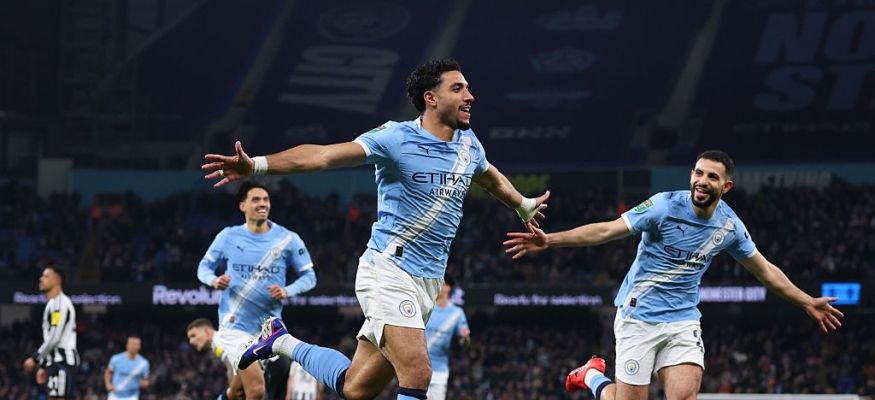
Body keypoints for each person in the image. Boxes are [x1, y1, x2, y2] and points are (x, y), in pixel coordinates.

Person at [202, 58, 549, 400]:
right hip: (389, 270)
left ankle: (280, 341)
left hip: (428, 281)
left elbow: (488, 176)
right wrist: (257, 165)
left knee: (355, 387)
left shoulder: (469, 144)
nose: (469, 96)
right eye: (458, 89)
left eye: (468, 89)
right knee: (417, 372)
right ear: (431, 98)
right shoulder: (396, 137)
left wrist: (522, 204)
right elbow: (323, 156)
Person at [503, 150, 845, 400]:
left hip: (682, 320)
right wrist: (551, 240)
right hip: (638, 316)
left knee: (683, 396)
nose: (702, 181)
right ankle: (592, 376)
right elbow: (607, 230)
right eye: (698, 173)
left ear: (726, 186)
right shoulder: (664, 206)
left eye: (712, 177)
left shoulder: (729, 226)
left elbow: (765, 271)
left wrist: (806, 301)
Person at [196, 181, 318, 400]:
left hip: (269, 330)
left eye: (266, 199)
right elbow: (203, 268)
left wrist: (287, 291)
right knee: (256, 390)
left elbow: (310, 277)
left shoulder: (288, 239)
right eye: (256, 199)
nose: (263, 204)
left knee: (238, 392)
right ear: (243, 206)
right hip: (235, 327)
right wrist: (214, 280)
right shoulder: (228, 236)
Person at [22, 266, 78, 400]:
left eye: (46, 276)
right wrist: (44, 365)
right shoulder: (52, 304)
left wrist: (36, 359)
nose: (41, 279)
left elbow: (55, 337)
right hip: (54, 362)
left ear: (57, 281)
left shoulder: (60, 304)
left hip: (62, 361)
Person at [424, 275, 470, 400]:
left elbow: (464, 343)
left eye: (439, 283)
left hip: (440, 371)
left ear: (447, 288)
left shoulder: (457, 313)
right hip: (420, 366)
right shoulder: (426, 307)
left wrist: (465, 339)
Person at [105, 335, 150, 400]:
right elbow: (108, 372)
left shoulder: (144, 364)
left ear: (139, 346)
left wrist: (144, 383)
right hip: (114, 396)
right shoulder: (116, 359)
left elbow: (145, 380)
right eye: (131, 344)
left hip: (132, 397)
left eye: (136, 344)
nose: (133, 346)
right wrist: (108, 384)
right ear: (127, 345)